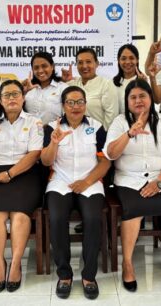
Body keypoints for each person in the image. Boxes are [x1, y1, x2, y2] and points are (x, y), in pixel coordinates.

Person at [104, 79, 161, 292]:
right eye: (133, 97)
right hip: (129, 180)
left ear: (151, 98)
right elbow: (111, 153)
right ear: (127, 101)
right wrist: (129, 134)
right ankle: (128, 264)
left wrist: (159, 183)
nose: (138, 100)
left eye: (142, 96)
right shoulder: (120, 122)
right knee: (133, 213)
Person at [0, 80, 44, 293]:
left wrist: (11, 174)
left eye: (15, 94)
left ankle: (15, 264)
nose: (11, 98)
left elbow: (35, 154)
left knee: (20, 216)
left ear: (23, 97)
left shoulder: (34, 121)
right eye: (7, 95)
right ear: (0, 100)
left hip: (26, 173)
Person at [41, 86, 110, 300]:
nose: (75, 106)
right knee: (57, 218)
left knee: (93, 218)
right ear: (63, 106)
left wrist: (86, 181)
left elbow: (105, 162)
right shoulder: (51, 127)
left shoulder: (96, 127)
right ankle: (64, 275)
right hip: (60, 181)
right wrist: (54, 143)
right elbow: (46, 161)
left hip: (90, 181)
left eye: (80, 102)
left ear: (85, 104)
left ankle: (89, 275)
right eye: (70, 102)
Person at [62, 48, 119, 130]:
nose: (84, 66)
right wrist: (63, 81)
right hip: (73, 134)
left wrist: (103, 134)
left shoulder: (106, 84)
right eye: (80, 62)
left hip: (98, 134)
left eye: (88, 62)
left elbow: (111, 116)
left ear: (97, 64)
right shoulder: (71, 84)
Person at [24, 51, 68, 124]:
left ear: (52, 66)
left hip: (54, 130)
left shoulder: (63, 88)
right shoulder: (27, 89)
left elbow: (68, 115)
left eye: (44, 66)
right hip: (29, 130)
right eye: (36, 67)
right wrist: (22, 92)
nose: (40, 71)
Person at [112, 44, 147, 114]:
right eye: (123, 58)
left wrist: (143, 85)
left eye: (131, 58)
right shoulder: (112, 83)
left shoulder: (144, 80)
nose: (127, 62)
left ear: (137, 60)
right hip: (118, 120)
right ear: (118, 60)